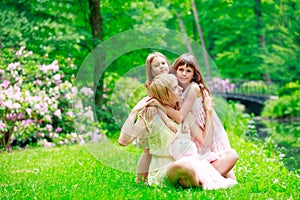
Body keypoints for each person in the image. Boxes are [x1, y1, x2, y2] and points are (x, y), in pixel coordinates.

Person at [118, 74, 237, 189]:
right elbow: (123, 141)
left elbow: (206, 142)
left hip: (194, 162)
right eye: (175, 87)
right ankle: (200, 179)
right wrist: (134, 111)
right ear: (165, 95)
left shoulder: (184, 115)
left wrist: (208, 110)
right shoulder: (151, 115)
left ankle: (197, 179)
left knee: (231, 155)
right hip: (168, 169)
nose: (181, 89)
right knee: (185, 165)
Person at [148, 53, 238, 179]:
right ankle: (205, 176)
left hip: (203, 122)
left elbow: (180, 116)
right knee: (198, 159)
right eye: (181, 70)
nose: (184, 74)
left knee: (215, 157)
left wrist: (159, 105)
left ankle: (214, 176)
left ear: (194, 74)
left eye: (188, 71)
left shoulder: (194, 88)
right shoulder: (175, 85)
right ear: (176, 70)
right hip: (191, 123)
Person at [134, 52, 176, 183]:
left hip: (165, 118)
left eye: (163, 63)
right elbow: (156, 104)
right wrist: (167, 120)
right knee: (148, 150)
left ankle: (160, 173)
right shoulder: (152, 84)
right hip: (153, 119)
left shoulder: (173, 80)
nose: (161, 66)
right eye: (156, 66)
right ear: (151, 71)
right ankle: (140, 178)